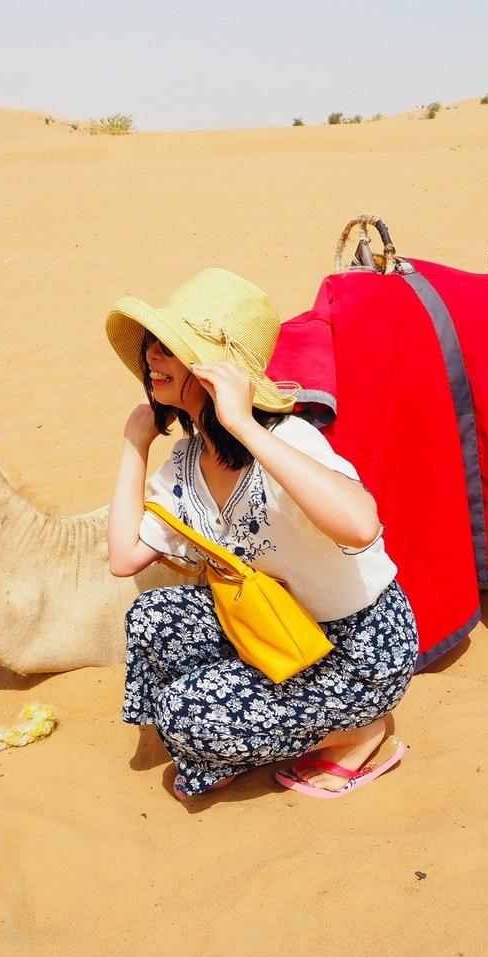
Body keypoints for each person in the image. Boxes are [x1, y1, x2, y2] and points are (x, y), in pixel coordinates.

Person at [105, 267, 419, 799]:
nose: (152, 355)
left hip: (356, 649)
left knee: (183, 713)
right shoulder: (187, 462)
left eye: (170, 347)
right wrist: (135, 443)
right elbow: (124, 557)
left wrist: (244, 424)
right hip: (277, 628)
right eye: (152, 344)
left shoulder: (288, 439)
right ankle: (247, 730)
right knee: (151, 618)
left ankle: (360, 730)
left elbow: (362, 526)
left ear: (217, 371)